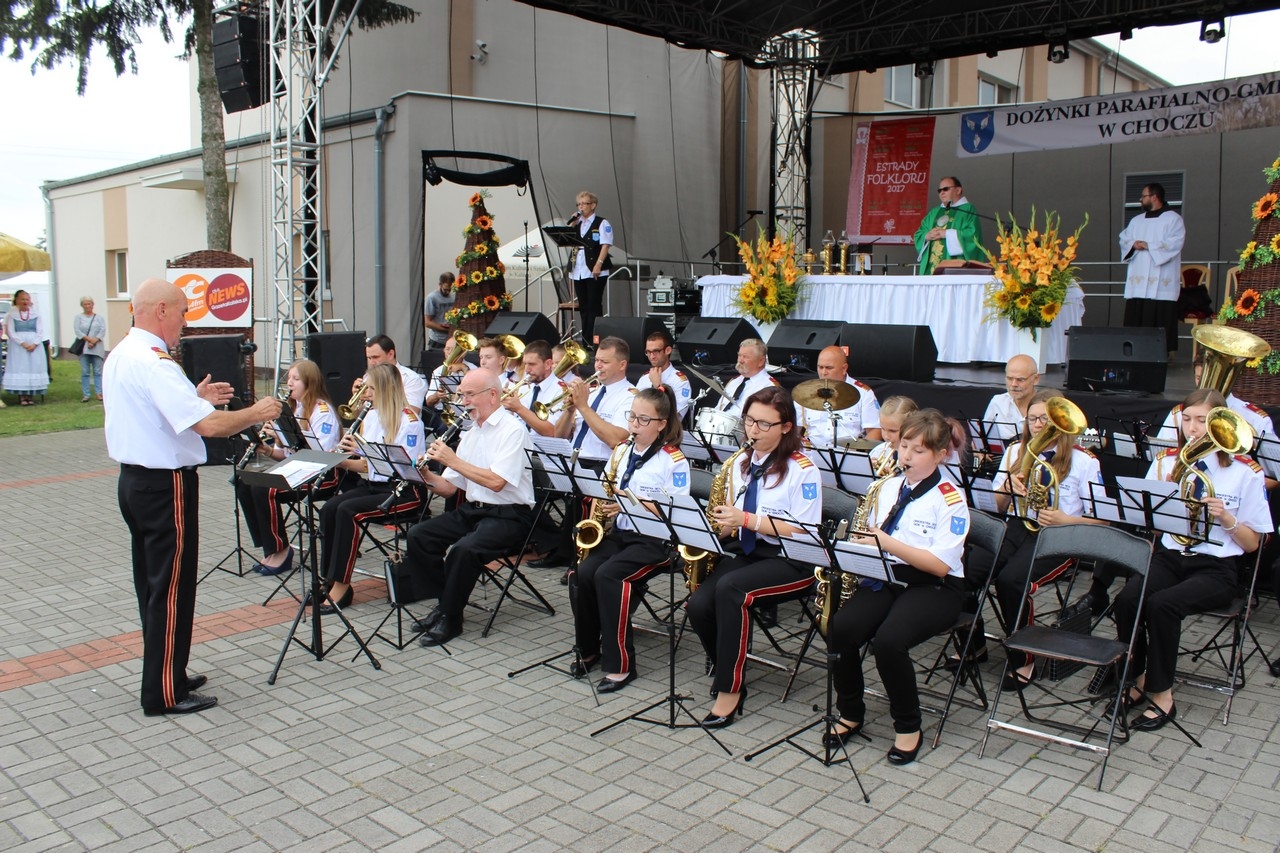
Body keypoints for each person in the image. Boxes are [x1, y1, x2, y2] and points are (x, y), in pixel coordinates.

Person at [104, 278, 283, 716]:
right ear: (161, 309)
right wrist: (255, 413)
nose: (185, 323)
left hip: (136, 482)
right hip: (166, 486)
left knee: (153, 582)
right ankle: (165, 691)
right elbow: (208, 427)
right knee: (171, 588)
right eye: (183, 312)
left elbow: (157, 412)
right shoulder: (155, 363)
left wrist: (194, 397)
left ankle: (170, 671)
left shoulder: (124, 353)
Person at [1114, 388, 1271, 731]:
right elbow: (1143, 517)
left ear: (1222, 423)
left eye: (1202, 420)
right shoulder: (1166, 461)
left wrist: (1227, 518)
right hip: (1172, 556)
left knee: (1162, 606)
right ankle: (1137, 675)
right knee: (1128, 600)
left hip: (1216, 566)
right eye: (1186, 419)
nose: (1193, 428)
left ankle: (1163, 695)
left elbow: (1253, 544)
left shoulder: (1245, 472)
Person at [826, 409, 970, 764]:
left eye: (918, 451)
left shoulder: (951, 499)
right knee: (841, 628)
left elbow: (938, 564)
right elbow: (874, 538)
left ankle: (908, 726)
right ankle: (850, 712)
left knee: (890, 641)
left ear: (940, 455)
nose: (906, 456)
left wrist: (884, 543)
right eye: (904, 446)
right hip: (887, 577)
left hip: (935, 586)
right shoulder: (887, 487)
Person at [687, 386, 823, 728]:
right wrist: (709, 529)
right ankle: (724, 662)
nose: (753, 431)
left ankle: (731, 690)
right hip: (747, 550)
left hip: (792, 558)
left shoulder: (803, 469)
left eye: (764, 424)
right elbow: (731, 520)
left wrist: (747, 519)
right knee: (698, 604)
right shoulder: (740, 464)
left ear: (786, 427)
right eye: (749, 421)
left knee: (731, 590)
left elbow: (805, 530)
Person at [568, 386, 690, 692]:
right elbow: (606, 488)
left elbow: (676, 511)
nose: (634, 425)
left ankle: (621, 664)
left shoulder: (673, 461)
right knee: (581, 574)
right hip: (622, 533)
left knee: (610, 576)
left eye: (642, 419)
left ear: (662, 423)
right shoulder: (622, 451)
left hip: (656, 540)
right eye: (632, 417)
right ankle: (588, 648)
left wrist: (629, 501)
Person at [403, 368, 536, 646]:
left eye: (469, 395)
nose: (463, 402)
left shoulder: (513, 430)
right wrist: (424, 475)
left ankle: (452, 619)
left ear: (492, 395)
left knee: (463, 550)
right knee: (419, 535)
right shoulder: (471, 431)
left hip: (510, 514)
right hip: (475, 508)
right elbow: (450, 488)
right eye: (462, 395)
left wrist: (452, 460)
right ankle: (443, 604)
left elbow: (497, 482)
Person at [985, 390, 1105, 690]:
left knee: (1012, 580)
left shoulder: (1084, 462)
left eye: (1045, 419)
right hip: (1016, 525)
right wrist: (1007, 489)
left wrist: (1066, 519)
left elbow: (1104, 519)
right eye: (1033, 418)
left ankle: (1024, 659)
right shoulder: (1015, 452)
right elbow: (995, 506)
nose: (1038, 425)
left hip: (1060, 534)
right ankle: (972, 646)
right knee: (971, 567)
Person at [318, 363, 427, 614]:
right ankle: (330, 577)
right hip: (375, 486)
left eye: (371, 389)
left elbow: (400, 469)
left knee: (348, 511)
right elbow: (368, 465)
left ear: (386, 390)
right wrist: (346, 456)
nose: (365, 394)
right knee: (330, 508)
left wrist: (353, 461)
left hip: (404, 490)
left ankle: (343, 585)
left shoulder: (409, 421)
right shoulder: (371, 415)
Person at [235, 358, 342, 575]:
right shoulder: (293, 409)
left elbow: (320, 455)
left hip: (322, 475)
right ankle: (267, 545)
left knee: (264, 488)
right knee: (245, 482)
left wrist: (283, 437)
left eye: (296, 379)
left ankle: (281, 550)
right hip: (297, 470)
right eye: (289, 378)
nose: (290, 383)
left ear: (309, 382)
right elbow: (286, 455)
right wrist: (266, 450)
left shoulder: (322, 411)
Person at [1119, 183, 1186, 357]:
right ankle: (1133, 351)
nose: (1141, 200)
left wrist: (1150, 245)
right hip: (1139, 277)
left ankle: (1162, 352)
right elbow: (1123, 238)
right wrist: (1132, 244)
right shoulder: (1137, 220)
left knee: (1159, 313)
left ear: (1154, 197)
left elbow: (1175, 242)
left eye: (1143, 196)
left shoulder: (1173, 219)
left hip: (1161, 281)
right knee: (1137, 314)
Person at [554, 336, 634, 468]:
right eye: (596, 360)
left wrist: (583, 407)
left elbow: (616, 440)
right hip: (571, 462)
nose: (598, 365)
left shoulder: (630, 397)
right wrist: (570, 411)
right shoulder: (591, 392)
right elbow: (559, 436)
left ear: (622, 365)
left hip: (600, 465)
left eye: (605, 362)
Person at [795, 345, 882, 448]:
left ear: (844, 368)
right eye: (820, 367)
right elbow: (794, 431)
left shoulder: (864, 393)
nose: (823, 373)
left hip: (849, 455)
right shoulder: (805, 392)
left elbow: (875, 431)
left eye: (829, 368)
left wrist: (861, 456)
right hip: (812, 455)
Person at [912, 176, 985, 275]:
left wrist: (947, 234)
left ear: (958, 190)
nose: (942, 192)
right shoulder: (934, 212)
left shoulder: (967, 209)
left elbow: (972, 236)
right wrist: (927, 236)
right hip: (931, 269)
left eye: (946, 189)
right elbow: (918, 234)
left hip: (955, 267)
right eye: (939, 190)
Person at [569, 191, 613, 343]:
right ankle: (585, 339)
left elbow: (605, 245)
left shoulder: (602, 223)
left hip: (594, 268)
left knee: (594, 305)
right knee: (584, 306)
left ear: (593, 205)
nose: (581, 207)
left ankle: (595, 340)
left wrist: (598, 264)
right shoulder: (578, 223)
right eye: (579, 204)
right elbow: (568, 241)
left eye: (584, 204)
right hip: (579, 268)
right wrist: (573, 225)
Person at [502, 339, 564, 435]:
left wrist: (519, 408)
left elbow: (552, 431)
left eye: (532, 364)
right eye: (525, 364)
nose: (526, 370)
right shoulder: (524, 387)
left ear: (548, 364)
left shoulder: (561, 391)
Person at [2, 290, 49, 405]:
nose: (25, 301)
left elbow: (40, 330)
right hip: (19, 347)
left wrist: (35, 343)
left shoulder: (36, 314)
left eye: (27, 299)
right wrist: (22, 343)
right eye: (22, 299)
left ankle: (30, 395)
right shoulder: (12, 315)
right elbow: (11, 331)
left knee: (33, 367)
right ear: (17, 300)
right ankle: (22, 395)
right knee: (21, 367)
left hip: (34, 345)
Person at [634, 328, 692, 420]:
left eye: (656, 351)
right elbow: (633, 409)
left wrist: (658, 386)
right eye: (648, 352)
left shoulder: (680, 381)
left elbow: (675, 417)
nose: (652, 356)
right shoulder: (644, 378)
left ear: (668, 350)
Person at [981, 354, 1040, 442]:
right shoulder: (997, 402)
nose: (1014, 384)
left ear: (1035, 379)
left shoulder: (1045, 407)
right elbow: (983, 438)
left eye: (1020, 379)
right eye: (1009, 378)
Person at [362, 334, 427, 415]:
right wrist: (357, 404)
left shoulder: (411, 379)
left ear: (390, 354)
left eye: (376, 357)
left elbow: (411, 413)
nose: (371, 362)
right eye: (369, 358)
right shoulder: (368, 377)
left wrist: (379, 399)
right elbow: (359, 416)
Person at [715, 339, 777, 419]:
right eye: (739, 355)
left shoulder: (769, 387)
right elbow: (718, 409)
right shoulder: (734, 381)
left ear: (761, 361)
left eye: (745, 357)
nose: (740, 360)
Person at [869, 396, 919, 474]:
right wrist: (869, 471)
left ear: (911, 427)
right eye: (882, 428)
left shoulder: (920, 456)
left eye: (893, 431)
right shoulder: (878, 451)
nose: (886, 436)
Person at [73, 296, 107, 402]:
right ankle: (86, 394)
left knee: (97, 371)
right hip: (84, 347)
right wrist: (88, 340)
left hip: (97, 347)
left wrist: (94, 341)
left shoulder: (99, 318)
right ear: (82, 306)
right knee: (85, 371)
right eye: (85, 304)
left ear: (93, 305)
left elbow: (102, 330)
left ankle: (99, 392)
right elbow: (77, 330)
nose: (87, 306)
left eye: (89, 304)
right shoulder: (78, 317)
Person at [424, 272, 457, 351]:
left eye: (450, 289)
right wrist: (448, 329)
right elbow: (427, 322)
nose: (448, 292)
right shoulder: (431, 298)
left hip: (450, 339)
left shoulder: (452, 297)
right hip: (437, 341)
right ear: (440, 284)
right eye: (445, 289)